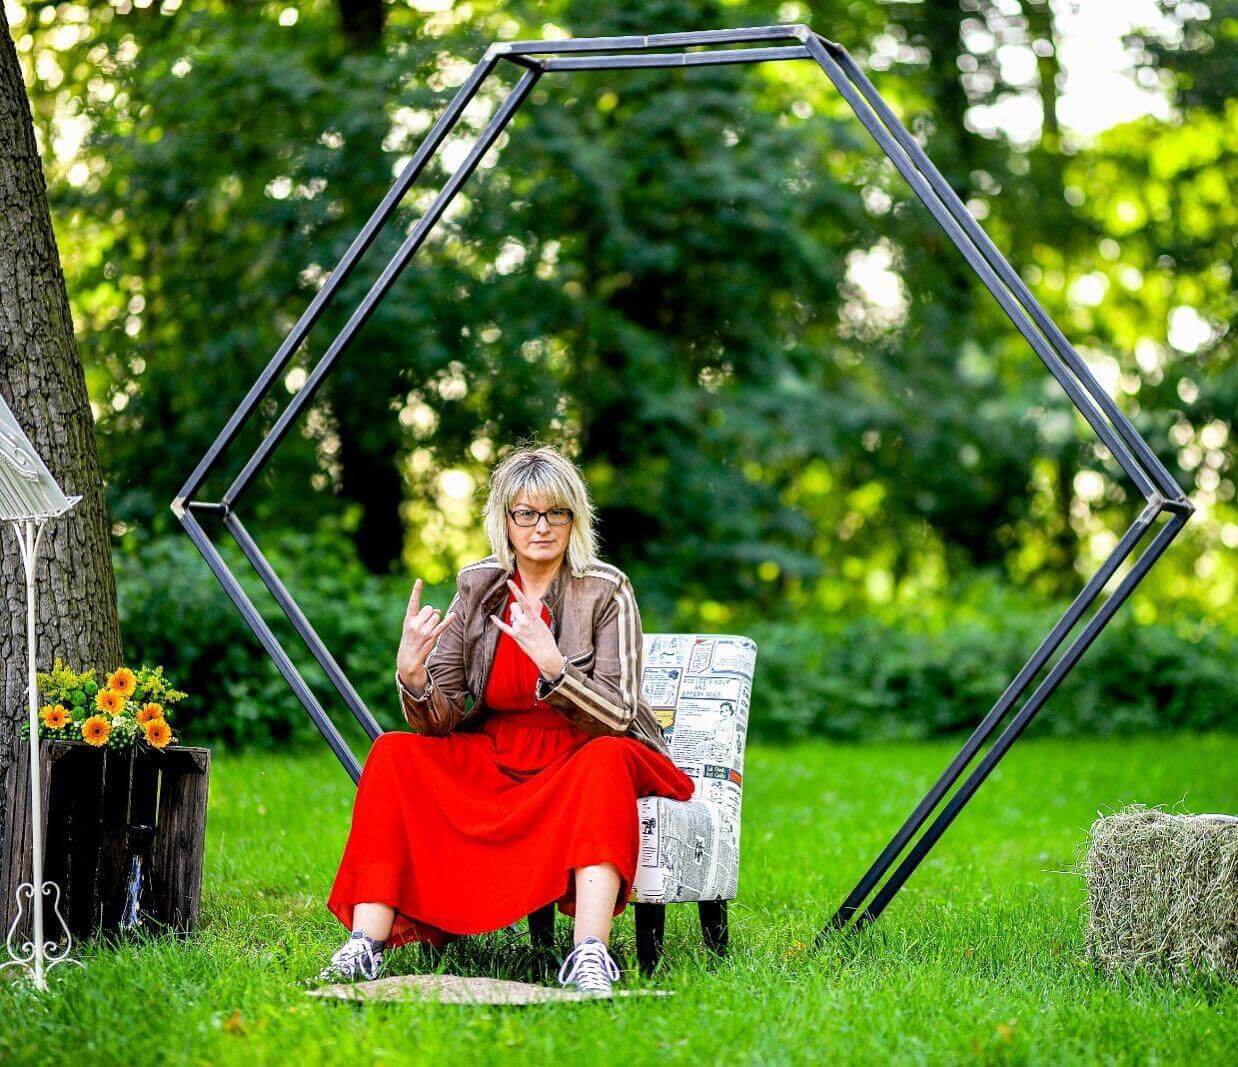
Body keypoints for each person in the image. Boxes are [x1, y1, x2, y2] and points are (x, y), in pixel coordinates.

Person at [315, 444, 694, 995]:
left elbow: (619, 714)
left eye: (556, 512)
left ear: (574, 519)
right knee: (395, 751)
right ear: (505, 520)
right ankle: (364, 946)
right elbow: (440, 716)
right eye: (527, 513)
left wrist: (555, 667)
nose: (542, 526)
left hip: (585, 749)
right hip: (500, 751)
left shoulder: (606, 588)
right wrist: (413, 675)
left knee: (605, 760)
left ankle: (589, 955)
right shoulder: (478, 586)